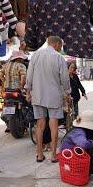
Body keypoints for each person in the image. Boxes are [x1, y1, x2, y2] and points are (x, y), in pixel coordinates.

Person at [25, 35, 71, 163]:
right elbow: (65, 79)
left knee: (39, 125)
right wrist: (67, 93)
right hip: (54, 96)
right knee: (54, 125)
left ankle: (39, 154)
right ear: (56, 44)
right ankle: (53, 155)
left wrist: (28, 91)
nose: (60, 49)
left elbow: (29, 75)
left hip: (38, 95)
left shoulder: (35, 55)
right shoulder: (58, 57)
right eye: (60, 46)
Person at [60, 110, 93, 176]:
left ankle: (91, 170)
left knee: (90, 144)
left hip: (76, 152)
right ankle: (87, 170)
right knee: (91, 146)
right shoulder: (78, 132)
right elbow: (84, 144)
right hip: (69, 156)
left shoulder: (87, 130)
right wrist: (92, 142)